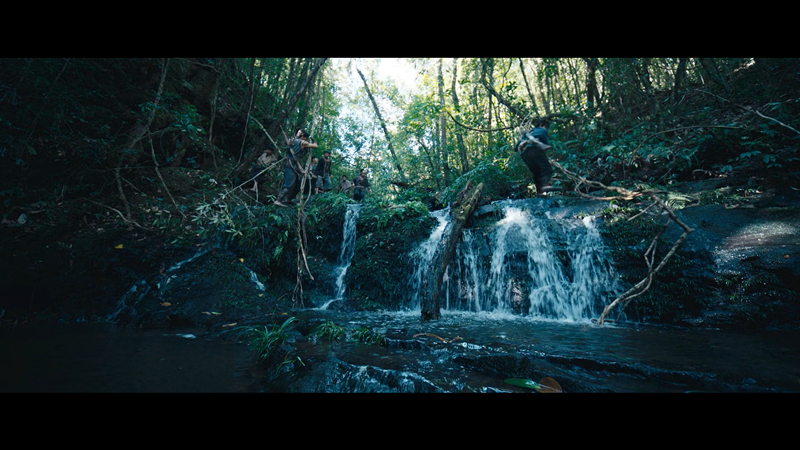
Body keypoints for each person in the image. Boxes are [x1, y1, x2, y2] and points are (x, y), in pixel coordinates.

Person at [274, 129, 318, 207]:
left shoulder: (292, 140)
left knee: (298, 184)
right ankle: (278, 200)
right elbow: (315, 146)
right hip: (291, 164)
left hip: (293, 165)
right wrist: (313, 140)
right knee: (289, 184)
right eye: (306, 137)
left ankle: (288, 199)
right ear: (303, 136)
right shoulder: (302, 142)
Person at [516, 119, 557, 197]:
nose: (546, 129)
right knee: (546, 168)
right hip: (535, 149)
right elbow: (544, 145)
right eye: (546, 127)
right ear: (541, 125)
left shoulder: (528, 133)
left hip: (524, 155)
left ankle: (540, 192)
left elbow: (516, 148)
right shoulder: (542, 130)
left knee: (536, 172)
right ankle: (545, 185)